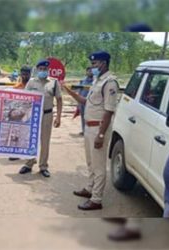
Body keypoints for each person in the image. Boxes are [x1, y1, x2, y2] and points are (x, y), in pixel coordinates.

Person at [63, 51, 119, 210]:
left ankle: (96, 199)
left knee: (99, 166)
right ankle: (89, 188)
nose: (92, 67)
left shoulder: (110, 83)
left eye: (95, 64)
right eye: (92, 64)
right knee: (90, 163)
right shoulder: (97, 80)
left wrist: (101, 135)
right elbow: (86, 102)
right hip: (89, 127)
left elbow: (109, 111)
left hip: (98, 128)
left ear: (104, 63)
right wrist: (69, 91)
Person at [18, 59, 63, 178]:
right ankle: (29, 163)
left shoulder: (53, 83)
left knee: (45, 141)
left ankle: (43, 166)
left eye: (45, 69)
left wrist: (58, 117)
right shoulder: (32, 82)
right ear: (37, 70)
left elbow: (59, 99)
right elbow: (24, 97)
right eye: (40, 69)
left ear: (48, 70)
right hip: (33, 115)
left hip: (47, 115)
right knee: (31, 140)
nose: (42, 71)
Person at [9, 65, 32, 161]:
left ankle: (29, 152)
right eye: (23, 74)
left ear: (30, 75)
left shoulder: (33, 87)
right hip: (19, 113)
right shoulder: (17, 87)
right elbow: (12, 101)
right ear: (20, 75)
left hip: (30, 113)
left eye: (27, 74)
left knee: (29, 134)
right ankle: (16, 153)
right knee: (16, 133)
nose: (25, 76)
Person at [76, 67, 93, 135]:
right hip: (82, 102)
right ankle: (84, 130)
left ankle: (89, 131)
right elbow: (79, 91)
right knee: (83, 116)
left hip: (91, 102)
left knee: (90, 117)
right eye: (88, 71)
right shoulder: (83, 81)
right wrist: (78, 103)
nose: (90, 72)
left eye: (91, 71)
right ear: (86, 72)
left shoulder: (95, 81)